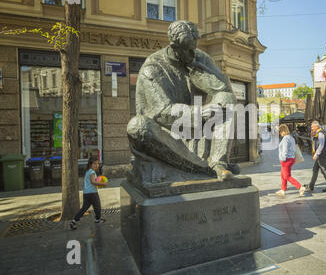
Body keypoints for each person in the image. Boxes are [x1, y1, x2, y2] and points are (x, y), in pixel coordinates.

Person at [127, 20, 239, 182]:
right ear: (174, 47)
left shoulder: (200, 58)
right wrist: (199, 112)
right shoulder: (152, 68)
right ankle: (202, 168)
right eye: (188, 50)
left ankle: (218, 163)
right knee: (137, 126)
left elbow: (224, 89)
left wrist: (200, 73)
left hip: (198, 133)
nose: (193, 54)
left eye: (194, 48)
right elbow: (160, 113)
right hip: (166, 135)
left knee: (226, 98)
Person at [70, 156, 107, 230]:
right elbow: (93, 182)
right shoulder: (92, 172)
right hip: (92, 193)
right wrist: (103, 184)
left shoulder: (88, 171)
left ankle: (73, 221)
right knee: (98, 207)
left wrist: (99, 180)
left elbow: (91, 181)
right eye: (94, 164)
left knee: (84, 208)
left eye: (98, 163)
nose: (97, 165)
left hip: (86, 193)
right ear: (90, 164)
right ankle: (97, 220)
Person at [275, 124, 305, 198]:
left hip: (286, 159)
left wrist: (283, 159)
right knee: (283, 175)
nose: (279, 133)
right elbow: (294, 149)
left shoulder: (285, 139)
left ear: (283, 131)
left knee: (287, 176)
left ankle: (300, 187)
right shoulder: (291, 137)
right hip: (291, 158)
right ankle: (283, 190)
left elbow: (285, 150)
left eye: (280, 132)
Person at [304, 121, 326, 192]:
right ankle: (311, 186)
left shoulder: (321, 133)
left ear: (316, 127)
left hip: (321, 155)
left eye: (312, 127)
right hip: (320, 155)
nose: (311, 128)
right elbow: (314, 142)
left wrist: (316, 154)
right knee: (315, 169)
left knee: (324, 170)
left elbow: (321, 145)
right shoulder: (317, 133)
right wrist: (312, 135)